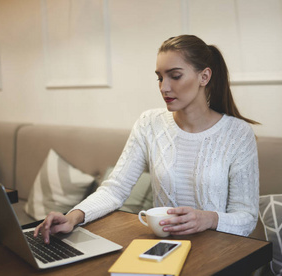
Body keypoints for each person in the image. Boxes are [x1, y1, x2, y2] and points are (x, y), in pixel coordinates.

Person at [35, 35, 260, 243]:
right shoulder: (149, 123)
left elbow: (247, 217)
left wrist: (209, 219)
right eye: (160, 78)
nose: (164, 87)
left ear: (204, 76)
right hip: (162, 247)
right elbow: (115, 189)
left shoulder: (238, 134)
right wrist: (73, 217)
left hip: (217, 250)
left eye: (175, 76)